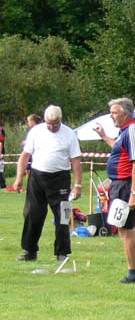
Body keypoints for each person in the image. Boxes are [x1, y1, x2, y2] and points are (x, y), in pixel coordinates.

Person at [12, 106, 82, 262]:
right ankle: (29, 250)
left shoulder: (69, 134)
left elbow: (76, 160)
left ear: (60, 120)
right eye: (49, 124)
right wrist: (19, 178)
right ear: (45, 120)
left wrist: (78, 185)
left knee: (62, 216)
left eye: (55, 124)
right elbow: (25, 156)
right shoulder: (36, 131)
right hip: (37, 177)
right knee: (32, 214)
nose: (52, 127)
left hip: (60, 178)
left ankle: (62, 252)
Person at [94, 98, 135, 284]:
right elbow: (121, 149)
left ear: (126, 114)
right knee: (128, 227)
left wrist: (134, 193)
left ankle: (133, 272)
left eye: (114, 112)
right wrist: (104, 137)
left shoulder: (132, 131)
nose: (111, 116)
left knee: (123, 229)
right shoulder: (127, 131)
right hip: (123, 184)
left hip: (125, 185)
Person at [0, 118, 6, 189]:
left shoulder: (1, 131)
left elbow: (1, 143)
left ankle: (2, 184)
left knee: (0, 170)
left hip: (1, 152)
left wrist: (0, 153)